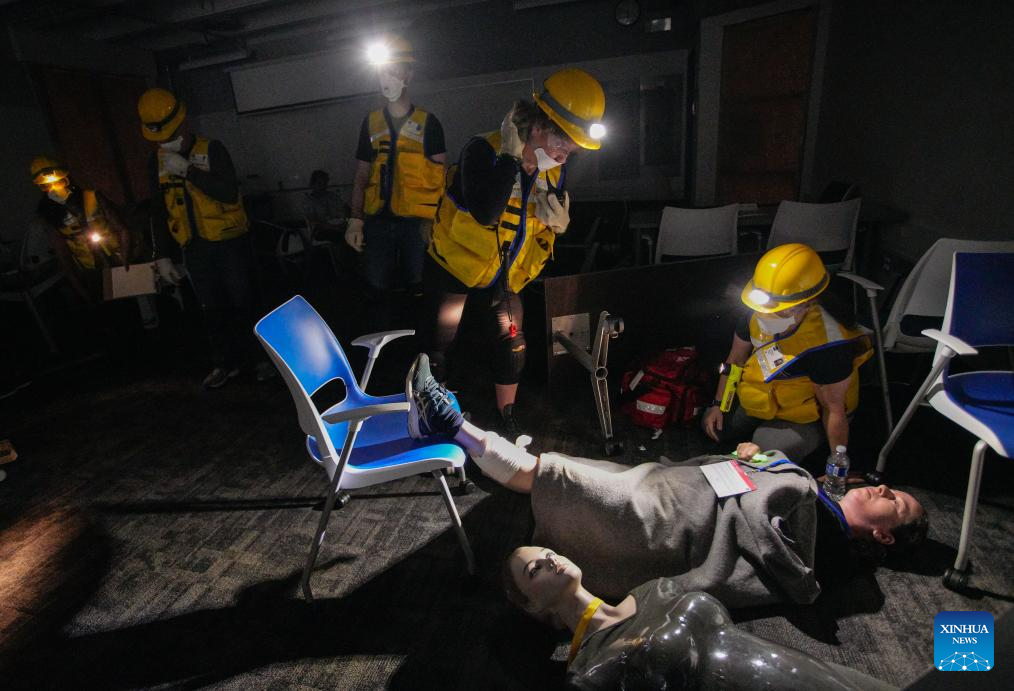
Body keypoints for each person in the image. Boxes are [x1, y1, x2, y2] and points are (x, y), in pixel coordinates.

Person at [406, 353, 928, 603]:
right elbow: (765, 477)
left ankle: (451, 423)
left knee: (565, 478)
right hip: (683, 485)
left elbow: (771, 554)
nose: (882, 489)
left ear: (882, 535)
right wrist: (752, 459)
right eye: (891, 487)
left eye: (896, 504)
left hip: (687, 520)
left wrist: (763, 484)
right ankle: (454, 428)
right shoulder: (818, 493)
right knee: (587, 472)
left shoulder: (830, 549)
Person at [422, 68, 606, 438]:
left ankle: (507, 418)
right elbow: (487, 211)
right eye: (564, 141)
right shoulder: (483, 149)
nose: (566, 153)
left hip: (504, 273)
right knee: (439, 344)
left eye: (572, 147)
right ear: (539, 123)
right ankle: (429, 413)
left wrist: (559, 224)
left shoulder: (553, 171)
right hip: (455, 264)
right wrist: (509, 159)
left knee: (513, 343)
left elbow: (540, 218)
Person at [504, 547, 895, 690]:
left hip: (798, 666)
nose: (549, 559)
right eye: (534, 569)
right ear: (534, 607)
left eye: (546, 551)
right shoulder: (590, 672)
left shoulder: (650, 590)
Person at [137, 87, 272, 388]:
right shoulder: (155, 164)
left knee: (244, 302)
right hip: (194, 248)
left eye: (168, 133)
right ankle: (224, 363)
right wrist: (161, 255)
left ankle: (261, 360)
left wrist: (188, 171)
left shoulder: (212, 150)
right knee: (210, 308)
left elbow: (227, 192)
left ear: (183, 122)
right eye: (157, 137)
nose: (164, 142)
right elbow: (159, 211)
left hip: (229, 243)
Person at [702, 243, 873, 465]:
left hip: (804, 414)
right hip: (762, 396)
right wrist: (718, 405)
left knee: (764, 454)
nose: (766, 316)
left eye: (780, 310)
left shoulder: (828, 345)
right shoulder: (754, 313)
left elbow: (833, 409)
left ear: (808, 303)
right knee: (715, 426)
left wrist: (837, 461)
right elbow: (735, 360)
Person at [345, 36, 446, 330]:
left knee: (420, 289)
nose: (386, 78)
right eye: (381, 72)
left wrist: (435, 222)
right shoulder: (371, 122)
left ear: (408, 76)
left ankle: (423, 352)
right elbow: (361, 174)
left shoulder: (430, 123)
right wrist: (355, 219)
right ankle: (382, 353)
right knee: (377, 289)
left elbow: (440, 177)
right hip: (377, 221)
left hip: (417, 224)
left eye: (394, 71)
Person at [29, 156, 159, 328]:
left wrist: (126, 262)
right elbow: (63, 255)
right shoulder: (48, 215)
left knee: (143, 310)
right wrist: (80, 288)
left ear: (67, 179)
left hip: (119, 260)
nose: (55, 188)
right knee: (116, 319)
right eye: (47, 185)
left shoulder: (92, 197)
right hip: (93, 272)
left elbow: (122, 229)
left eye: (59, 181)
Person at [302, 169, 344, 241]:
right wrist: (335, 227)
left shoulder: (331, 196)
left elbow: (344, 208)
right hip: (321, 231)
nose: (323, 186)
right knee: (341, 236)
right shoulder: (309, 201)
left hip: (337, 226)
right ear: (313, 184)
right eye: (319, 183)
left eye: (325, 183)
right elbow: (314, 222)